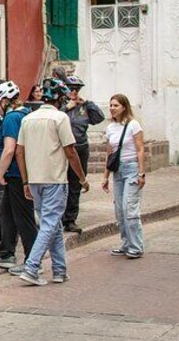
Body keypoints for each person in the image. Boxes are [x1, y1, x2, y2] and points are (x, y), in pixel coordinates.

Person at [15, 78, 90, 286]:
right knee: (49, 224)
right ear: (60, 98)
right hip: (55, 179)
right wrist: (82, 178)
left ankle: (59, 270)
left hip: (35, 179)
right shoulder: (60, 118)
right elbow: (71, 151)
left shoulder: (27, 119)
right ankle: (31, 267)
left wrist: (25, 181)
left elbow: (19, 152)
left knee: (53, 224)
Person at [0, 81, 37, 275]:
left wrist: (0, 172)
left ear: (5, 101)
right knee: (7, 213)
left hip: (15, 174)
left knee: (24, 217)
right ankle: (6, 253)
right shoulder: (25, 114)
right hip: (18, 174)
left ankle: (32, 261)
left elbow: (10, 149)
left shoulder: (12, 118)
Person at [102, 94, 146, 259]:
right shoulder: (110, 127)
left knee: (129, 207)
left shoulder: (133, 125)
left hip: (132, 168)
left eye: (116, 105)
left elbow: (140, 149)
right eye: (111, 105)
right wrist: (105, 176)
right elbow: (109, 152)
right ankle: (126, 243)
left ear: (124, 107)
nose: (112, 108)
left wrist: (141, 173)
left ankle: (136, 245)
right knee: (120, 209)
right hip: (117, 171)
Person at [60, 76, 105, 233]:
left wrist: (86, 103)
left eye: (77, 89)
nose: (74, 92)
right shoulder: (60, 105)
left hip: (80, 147)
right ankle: (58, 217)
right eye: (71, 89)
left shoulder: (83, 107)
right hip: (62, 149)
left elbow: (99, 117)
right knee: (60, 183)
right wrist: (67, 106)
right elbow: (53, 120)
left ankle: (70, 219)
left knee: (76, 183)